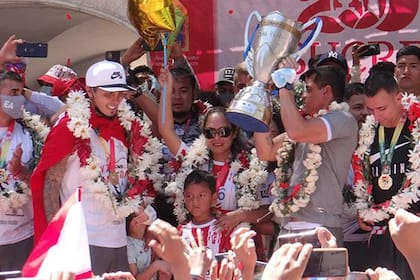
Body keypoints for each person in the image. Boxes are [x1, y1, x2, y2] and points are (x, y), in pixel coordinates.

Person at [30, 60, 161, 275]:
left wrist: (141, 206)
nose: (115, 101)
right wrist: (58, 239)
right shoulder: (69, 125)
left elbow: (134, 173)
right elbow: (50, 183)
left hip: (117, 238)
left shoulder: (127, 124)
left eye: (120, 94)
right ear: (90, 91)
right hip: (82, 239)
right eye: (108, 94)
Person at [254, 59, 358, 246]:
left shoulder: (343, 119)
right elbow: (265, 151)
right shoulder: (306, 125)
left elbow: (297, 131)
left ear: (326, 91)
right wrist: (260, 102)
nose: (302, 95)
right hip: (288, 229)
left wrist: (286, 86)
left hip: (321, 228)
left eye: (308, 90)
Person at [159, 68, 270, 232]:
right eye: (210, 132)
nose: (216, 138)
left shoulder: (251, 165)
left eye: (223, 132)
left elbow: (269, 211)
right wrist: (166, 90)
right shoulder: (193, 158)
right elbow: (166, 131)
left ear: (234, 133)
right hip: (200, 242)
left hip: (238, 242)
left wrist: (241, 216)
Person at [353, 70, 420, 279]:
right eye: (371, 109)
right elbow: (362, 178)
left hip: (412, 230)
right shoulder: (370, 131)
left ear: (399, 97)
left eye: (382, 108)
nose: (377, 115)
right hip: (380, 233)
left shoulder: (415, 125)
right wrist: (362, 209)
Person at [0, 71, 41, 271]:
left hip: (22, 238)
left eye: (21, 93)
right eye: (13, 92)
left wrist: (22, 172)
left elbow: (44, 182)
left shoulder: (32, 135)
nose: (19, 99)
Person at [178, 170, 231, 258]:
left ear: (213, 197)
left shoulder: (223, 227)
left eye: (201, 195)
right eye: (189, 196)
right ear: (184, 197)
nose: (195, 202)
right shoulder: (181, 230)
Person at [126, 209, 171, 280]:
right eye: (144, 212)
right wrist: (156, 265)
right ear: (135, 222)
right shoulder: (128, 246)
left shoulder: (147, 240)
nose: (148, 213)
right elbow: (134, 278)